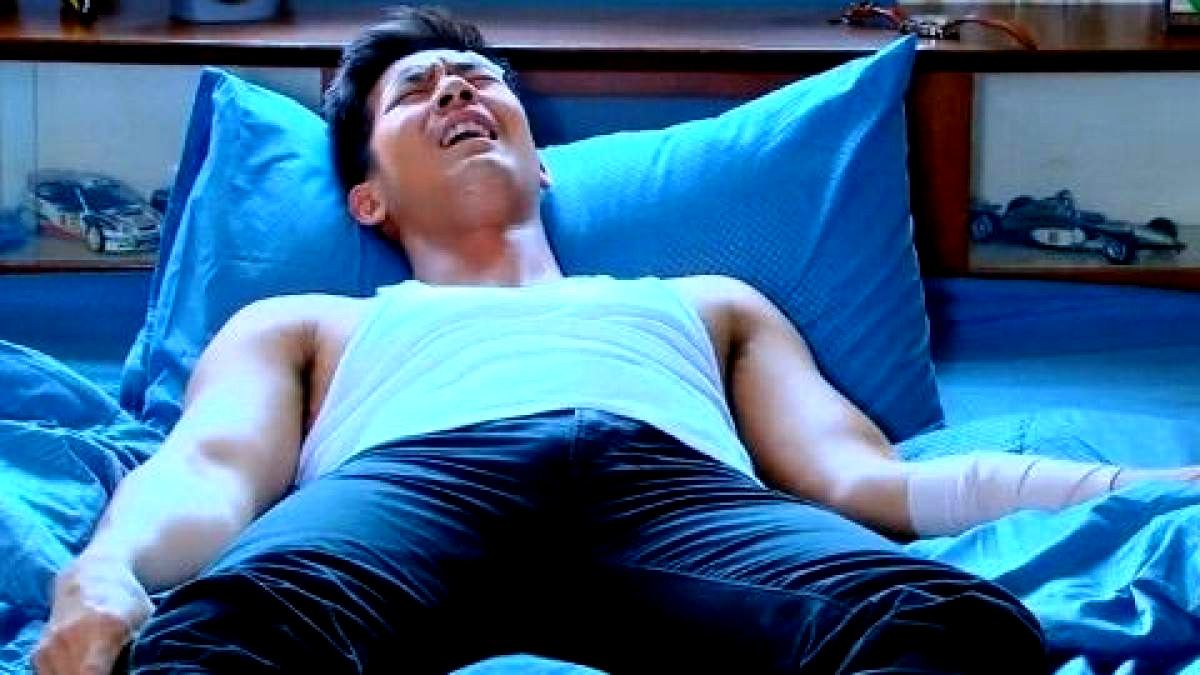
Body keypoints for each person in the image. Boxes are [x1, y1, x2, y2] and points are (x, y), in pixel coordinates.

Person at [33, 6, 1199, 674]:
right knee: (229, 630)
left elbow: (869, 483)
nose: (457, 94)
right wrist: (105, 574)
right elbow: (208, 473)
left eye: (477, 80)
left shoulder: (708, 300)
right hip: (414, 484)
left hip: (671, 493)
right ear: (366, 199)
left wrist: (1149, 486)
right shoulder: (308, 323)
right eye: (417, 93)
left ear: (541, 162)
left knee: (946, 624)